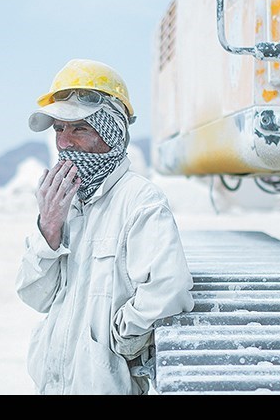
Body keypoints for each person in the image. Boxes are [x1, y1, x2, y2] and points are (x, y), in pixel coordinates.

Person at [15, 58, 195, 395]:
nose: (64, 142)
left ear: (111, 130)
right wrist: (48, 229)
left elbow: (169, 289)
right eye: (58, 129)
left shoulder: (140, 201)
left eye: (78, 128)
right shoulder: (64, 204)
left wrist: (118, 344)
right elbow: (34, 297)